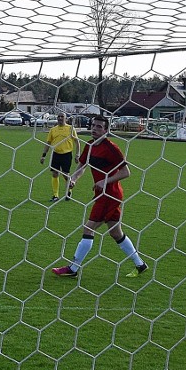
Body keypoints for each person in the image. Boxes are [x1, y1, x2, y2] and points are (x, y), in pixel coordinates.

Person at [51, 115, 147, 279]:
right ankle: (140, 264)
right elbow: (82, 166)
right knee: (116, 233)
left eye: (99, 127)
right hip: (102, 193)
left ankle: (73, 268)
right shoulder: (89, 145)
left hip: (110, 194)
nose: (95, 129)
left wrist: (105, 181)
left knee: (88, 228)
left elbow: (126, 172)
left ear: (106, 130)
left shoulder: (112, 149)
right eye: (93, 125)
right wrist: (74, 179)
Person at [39, 112, 80, 202]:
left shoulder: (70, 129)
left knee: (65, 175)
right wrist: (43, 156)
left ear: (66, 118)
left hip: (67, 154)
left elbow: (77, 142)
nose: (60, 118)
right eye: (59, 116)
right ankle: (55, 195)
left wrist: (77, 154)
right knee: (54, 173)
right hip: (55, 154)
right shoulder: (53, 130)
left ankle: (69, 191)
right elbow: (48, 143)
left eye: (62, 116)